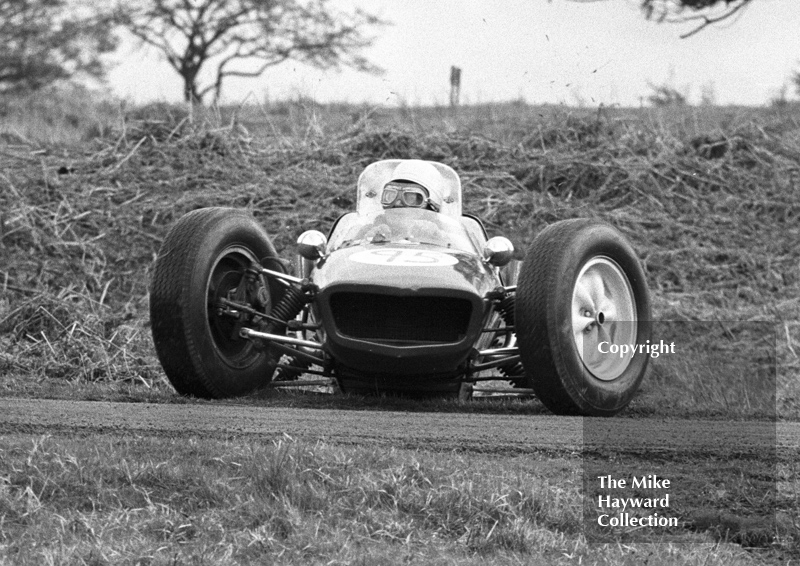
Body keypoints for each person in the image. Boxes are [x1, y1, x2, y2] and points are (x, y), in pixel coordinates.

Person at [381, 160, 445, 213]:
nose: (397, 203)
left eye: (411, 198)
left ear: (432, 206)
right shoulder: (374, 227)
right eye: (391, 196)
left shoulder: (441, 228)